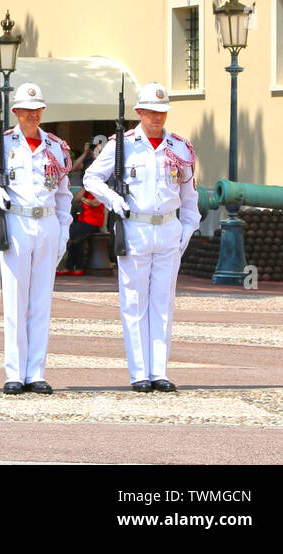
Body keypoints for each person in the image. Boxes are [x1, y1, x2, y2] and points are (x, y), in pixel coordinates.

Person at [84, 82, 199, 393]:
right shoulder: (123, 144)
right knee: (134, 302)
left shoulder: (179, 147)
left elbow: (189, 198)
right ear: (139, 112)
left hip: (168, 230)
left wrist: (186, 231)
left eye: (162, 111)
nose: (157, 117)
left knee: (163, 302)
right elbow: (91, 177)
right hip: (135, 227)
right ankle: (139, 373)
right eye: (151, 111)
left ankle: (159, 370)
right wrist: (113, 199)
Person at [0, 82, 72, 395]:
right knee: (15, 300)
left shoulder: (55, 147)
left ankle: (36, 372)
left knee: (41, 301)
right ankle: (15, 372)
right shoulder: (2, 144)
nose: (33, 115)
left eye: (37, 109)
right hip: (16, 221)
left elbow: (64, 193)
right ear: (15, 112)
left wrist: (64, 229)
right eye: (27, 110)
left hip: (47, 222)